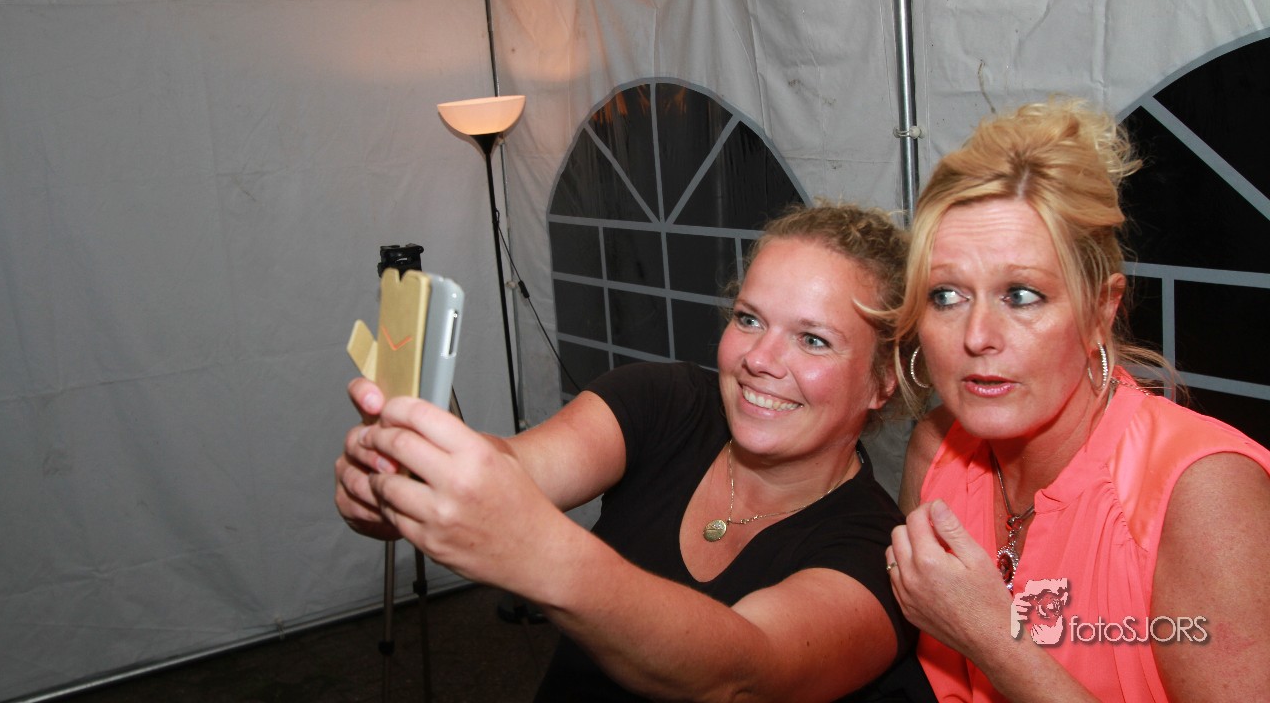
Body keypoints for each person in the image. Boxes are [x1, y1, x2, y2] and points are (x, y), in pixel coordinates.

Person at [336, 202, 920, 702]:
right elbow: (518, 467)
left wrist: (540, 554)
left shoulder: (878, 556)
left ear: (882, 381)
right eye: (749, 319)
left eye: (812, 339)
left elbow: (741, 674)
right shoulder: (664, 402)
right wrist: (410, 476)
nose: (760, 359)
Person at [886, 98, 1270, 701]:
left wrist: (994, 639)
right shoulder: (934, 451)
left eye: (1021, 294)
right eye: (946, 296)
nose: (977, 336)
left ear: (1101, 310)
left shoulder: (1202, 492)